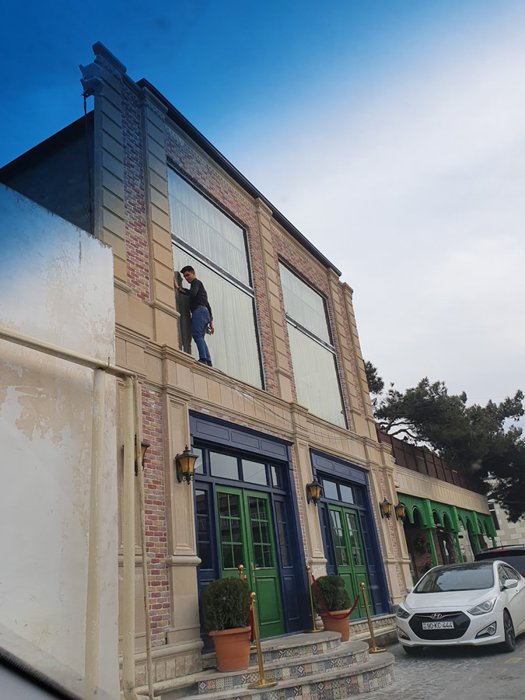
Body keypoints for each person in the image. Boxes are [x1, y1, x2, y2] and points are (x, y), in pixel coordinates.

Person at [174, 266, 214, 366]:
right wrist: (211, 321)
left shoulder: (196, 283)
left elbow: (192, 293)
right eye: (184, 276)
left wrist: (179, 288)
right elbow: (208, 305)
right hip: (205, 313)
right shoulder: (201, 288)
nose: (186, 278)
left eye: (188, 275)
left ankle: (203, 359)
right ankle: (208, 361)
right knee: (200, 337)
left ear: (193, 273)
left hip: (199, 311)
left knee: (197, 335)